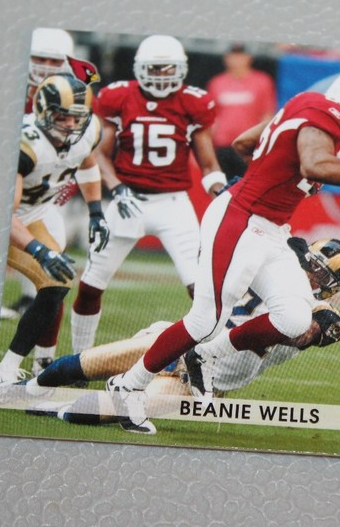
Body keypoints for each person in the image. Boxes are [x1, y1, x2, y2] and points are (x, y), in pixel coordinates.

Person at [107, 68, 340, 434]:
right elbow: (313, 164)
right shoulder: (330, 114)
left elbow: (244, 143)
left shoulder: (306, 106)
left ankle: (205, 356)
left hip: (270, 228)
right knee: (205, 320)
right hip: (241, 219)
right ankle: (127, 386)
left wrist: (277, 174)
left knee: (294, 318)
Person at [22, 238, 340, 429]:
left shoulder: (315, 312)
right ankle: (25, 390)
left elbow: (319, 328)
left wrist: (315, 322)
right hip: (176, 342)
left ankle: (58, 408)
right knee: (83, 364)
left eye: (322, 274)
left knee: (115, 408)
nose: (311, 275)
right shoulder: (273, 267)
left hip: (198, 381)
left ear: (334, 287)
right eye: (312, 265)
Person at [69, 35, 227, 356]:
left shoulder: (194, 103)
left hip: (173, 205)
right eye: (154, 68)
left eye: (168, 68)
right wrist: (117, 187)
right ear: (140, 68)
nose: (161, 75)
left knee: (200, 290)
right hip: (127, 201)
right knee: (90, 285)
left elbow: (209, 164)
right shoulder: (118, 97)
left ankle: (211, 359)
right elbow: (99, 154)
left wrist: (221, 192)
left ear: (181, 69)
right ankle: (80, 358)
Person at [0, 73, 110, 397]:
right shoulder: (25, 144)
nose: (70, 125)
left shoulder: (89, 131)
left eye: (76, 118)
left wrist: (96, 211)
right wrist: (40, 251)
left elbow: (86, 163)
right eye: (62, 117)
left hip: (36, 213)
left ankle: (9, 370)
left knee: (57, 281)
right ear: (43, 111)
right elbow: (4, 214)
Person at [2, 28, 101, 322]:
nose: (45, 67)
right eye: (39, 59)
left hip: (41, 186)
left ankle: (33, 300)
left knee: (52, 258)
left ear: (69, 62)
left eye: (54, 61)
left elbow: (84, 153)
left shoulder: (76, 95)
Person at [207, 43, 277, 179]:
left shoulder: (262, 81)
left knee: (248, 183)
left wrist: (262, 142)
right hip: (223, 145)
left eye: (240, 56)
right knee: (223, 185)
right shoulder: (217, 83)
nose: (236, 60)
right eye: (233, 56)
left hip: (248, 145)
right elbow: (212, 117)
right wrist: (209, 145)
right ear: (226, 58)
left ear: (249, 58)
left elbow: (267, 114)